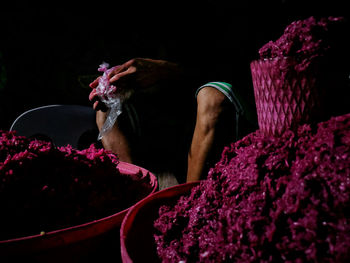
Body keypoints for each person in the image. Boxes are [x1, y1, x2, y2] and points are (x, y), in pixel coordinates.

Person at [89, 58, 257, 183]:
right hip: (166, 103)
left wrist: (164, 70)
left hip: (206, 96)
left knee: (212, 96)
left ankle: (191, 201)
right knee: (106, 109)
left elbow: (230, 67)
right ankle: (139, 193)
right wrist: (114, 85)